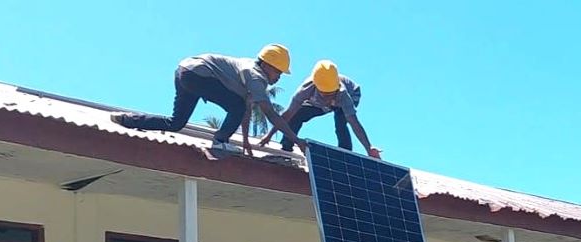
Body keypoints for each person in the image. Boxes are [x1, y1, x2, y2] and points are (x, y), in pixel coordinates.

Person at [110, 44, 307, 157]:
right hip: (199, 75)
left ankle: (126, 119)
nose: (279, 77)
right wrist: (296, 140)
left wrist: (245, 141)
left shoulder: (248, 70)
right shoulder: (256, 77)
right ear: (266, 65)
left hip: (184, 72)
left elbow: (245, 110)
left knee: (176, 123)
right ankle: (220, 141)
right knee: (236, 105)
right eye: (278, 72)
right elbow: (270, 113)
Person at [259, 60, 380, 158]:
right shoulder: (306, 89)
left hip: (352, 94)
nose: (328, 98)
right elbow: (288, 114)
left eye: (331, 94)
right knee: (298, 114)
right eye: (324, 95)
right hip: (317, 103)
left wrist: (369, 148)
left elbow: (354, 123)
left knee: (341, 123)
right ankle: (286, 145)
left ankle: (345, 154)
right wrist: (269, 135)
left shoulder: (343, 94)